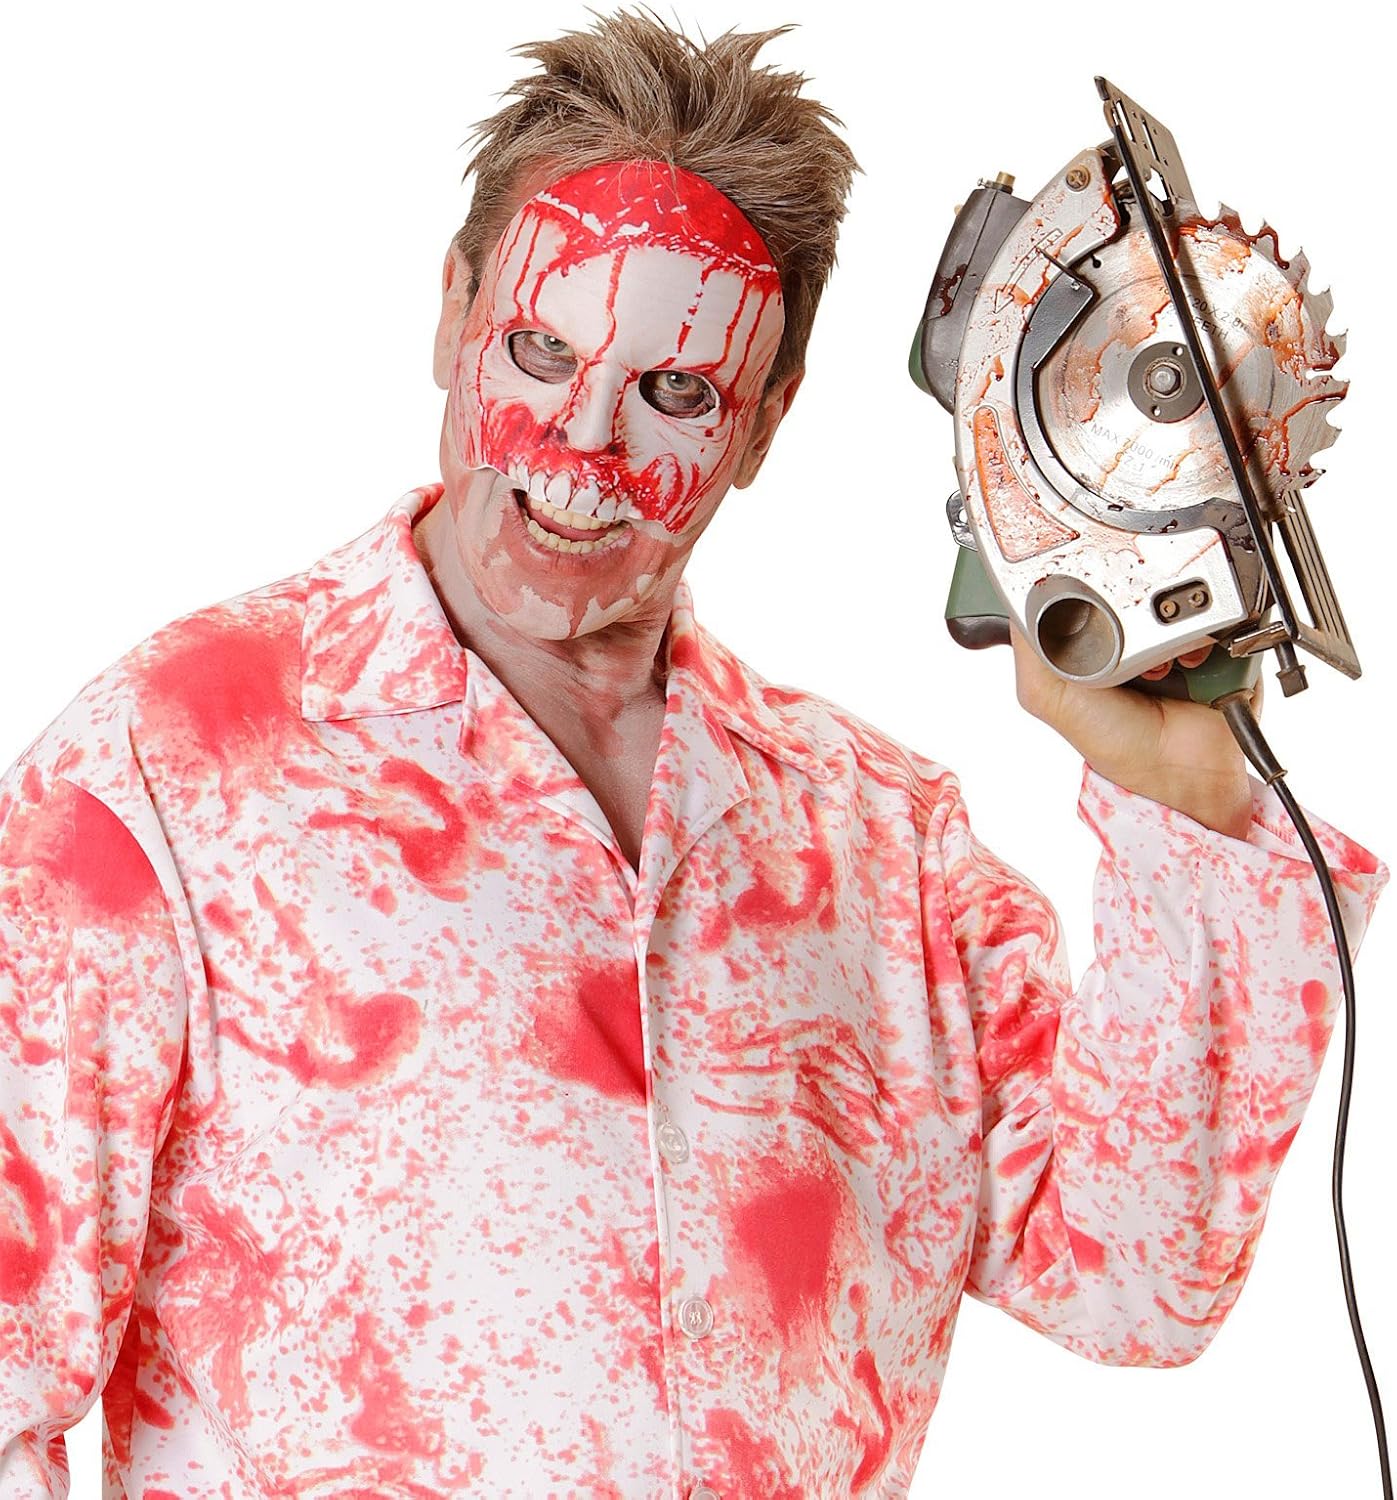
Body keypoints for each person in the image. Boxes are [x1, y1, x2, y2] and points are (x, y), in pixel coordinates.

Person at [0, 10, 1387, 1497]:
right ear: (453, 314)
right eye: (541, 351)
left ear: (766, 422)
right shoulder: (164, 770)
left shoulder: (881, 846)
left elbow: (1135, 1285)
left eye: (675, 392)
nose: (580, 445)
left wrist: (1179, 790)